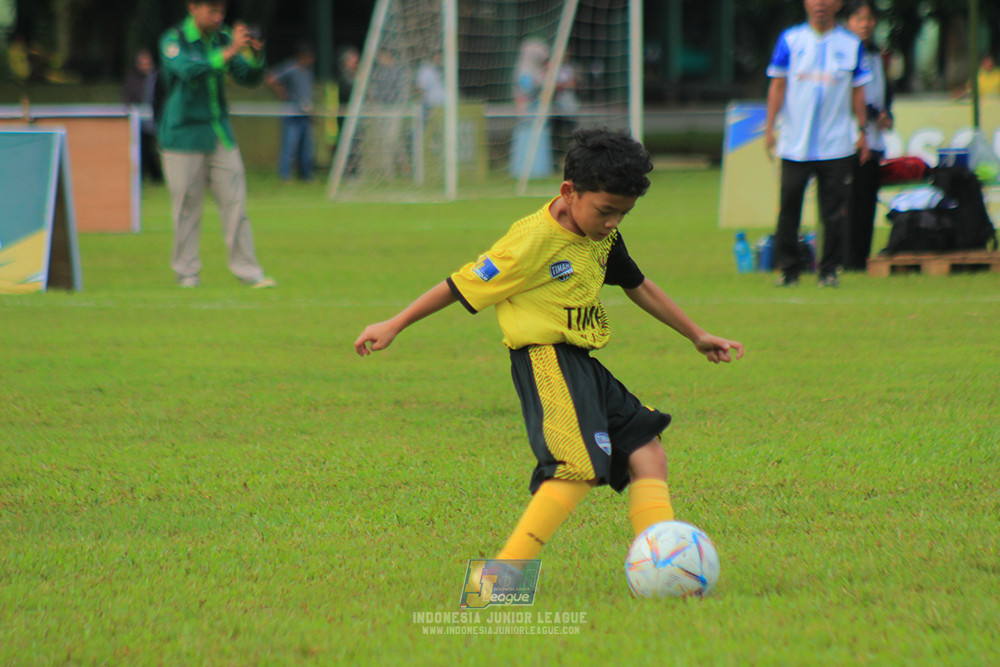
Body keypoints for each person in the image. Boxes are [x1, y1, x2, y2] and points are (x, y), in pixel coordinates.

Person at [354, 127, 743, 570]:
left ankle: (663, 564)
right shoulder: (530, 243)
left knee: (647, 451)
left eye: (624, 213)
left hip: (582, 362)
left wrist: (696, 335)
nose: (613, 223)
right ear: (568, 192)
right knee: (574, 467)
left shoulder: (601, 234)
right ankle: (499, 581)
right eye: (606, 211)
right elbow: (459, 284)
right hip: (545, 360)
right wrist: (395, 323)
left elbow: (637, 284)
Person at [157, 0, 274, 288]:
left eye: (222, 11)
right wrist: (230, 51)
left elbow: (247, 77)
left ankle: (248, 271)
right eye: (212, 10)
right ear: (192, 7)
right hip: (183, 136)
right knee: (187, 207)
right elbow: (188, 70)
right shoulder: (174, 39)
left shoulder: (222, 39)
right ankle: (186, 272)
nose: (218, 17)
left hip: (219, 132)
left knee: (235, 203)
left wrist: (255, 55)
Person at [765, 0, 871, 288]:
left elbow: (858, 91)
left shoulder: (851, 44)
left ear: (838, 4)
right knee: (789, 208)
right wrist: (770, 126)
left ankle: (829, 270)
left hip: (836, 144)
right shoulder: (791, 40)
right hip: (794, 143)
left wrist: (862, 131)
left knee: (834, 213)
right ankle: (788, 270)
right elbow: (777, 85)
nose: (820, 4)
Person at [844, 0, 892, 271]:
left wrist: (887, 114)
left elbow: (885, 92)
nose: (865, 25)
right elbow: (849, 95)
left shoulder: (877, 55)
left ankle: (861, 259)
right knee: (849, 202)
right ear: (848, 22)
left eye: (869, 19)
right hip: (849, 139)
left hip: (874, 140)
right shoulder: (843, 53)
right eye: (859, 19)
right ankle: (845, 258)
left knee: (867, 201)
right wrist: (873, 115)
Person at [266, 43, 317, 182]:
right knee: (290, 145)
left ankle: (306, 175)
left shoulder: (308, 72)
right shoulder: (290, 67)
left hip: (305, 114)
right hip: (292, 113)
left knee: (306, 147)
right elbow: (270, 78)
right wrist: (281, 93)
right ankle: (285, 175)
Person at [509, 38, 553, 179]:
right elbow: (526, 91)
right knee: (528, 141)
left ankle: (540, 170)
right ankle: (525, 170)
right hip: (528, 115)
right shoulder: (524, 72)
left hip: (538, 115)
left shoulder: (538, 71)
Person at [122, 48, 164, 184]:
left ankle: (154, 175)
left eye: (148, 63)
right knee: (144, 148)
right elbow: (129, 98)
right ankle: (153, 175)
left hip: (155, 119)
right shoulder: (132, 79)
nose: (146, 66)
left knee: (148, 148)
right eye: (142, 63)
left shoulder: (156, 78)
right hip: (138, 120)